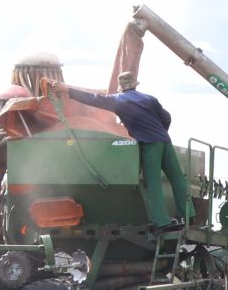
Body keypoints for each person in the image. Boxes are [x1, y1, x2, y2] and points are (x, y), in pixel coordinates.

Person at [45, 71, 192, 226]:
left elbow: (92, 99)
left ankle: (160, 222)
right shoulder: (150, 99)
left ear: (120, 86)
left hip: (149, 143)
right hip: (164, 140)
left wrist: (68, 90)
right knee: (177, 178)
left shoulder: (118, 100)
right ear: (135, 85)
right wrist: (161, 133)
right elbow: (167, 118)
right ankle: (189, 215)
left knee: (152, 182)